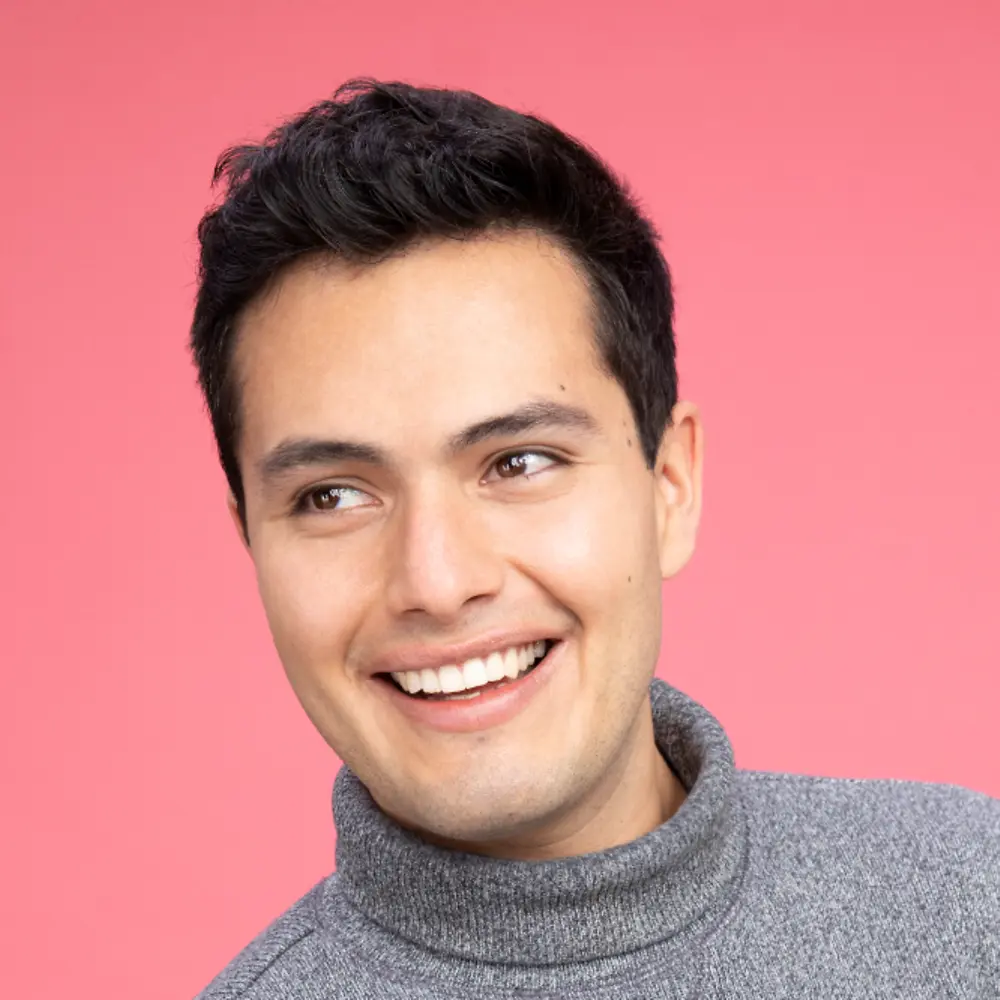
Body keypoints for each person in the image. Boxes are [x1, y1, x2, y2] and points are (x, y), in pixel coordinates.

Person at [189, 79, 998, 999]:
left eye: (519, 463)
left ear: (669, 485)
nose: (438, 580)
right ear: (252, 541)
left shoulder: (970, 905)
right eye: (333, 495)